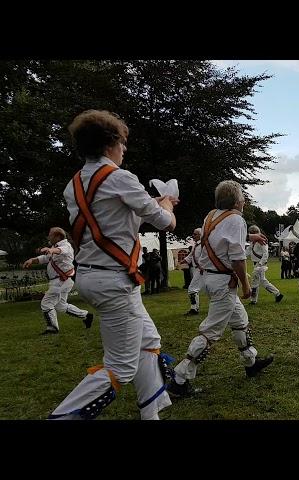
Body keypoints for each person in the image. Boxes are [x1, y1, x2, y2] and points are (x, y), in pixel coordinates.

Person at [50, 109, 177, 420]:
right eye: (122, 142)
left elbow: (112, 223)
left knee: (150, 342)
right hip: (115, 281)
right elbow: (164, 223)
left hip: (93, 276)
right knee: (120, 367)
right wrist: (167, 203)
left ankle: (152, 415)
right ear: (109, 144)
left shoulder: (74, 184)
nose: (125, 148)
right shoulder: (120, 178)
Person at [167, 180, 274, 398]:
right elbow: (237, 258)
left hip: (212, 279)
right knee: (210, 331)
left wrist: (249, 237)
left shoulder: (211, 216)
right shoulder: (236, 219)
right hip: (225, 283)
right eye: (242, 196)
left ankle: (250, 362)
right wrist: (246, 285)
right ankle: (179, 379)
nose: (244, 200)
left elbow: (221, 241)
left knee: (241, 322)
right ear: (236, 201)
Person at [22, 227, 94, 334]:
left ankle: (52, 328)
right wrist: (32, 260)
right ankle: (86, 316)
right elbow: (45, 258)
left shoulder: (66, 246)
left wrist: (51, 250)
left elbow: (60, 251)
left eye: (50, 235)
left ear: (57, 236)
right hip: (61, 281)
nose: (48, 237)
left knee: (46, 303)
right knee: (61, 306)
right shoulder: (55, 247)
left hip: (61, 281)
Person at [247, 225, 284, 304]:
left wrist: (260, 264)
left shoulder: (262, 241)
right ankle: (277, 294)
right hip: (256, 264)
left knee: (255, 282)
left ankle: (253, 300)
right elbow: (248, 250)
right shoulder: (253, 243)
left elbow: (265, 254)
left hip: (259, 265)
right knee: (262, 281)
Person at [180, 228, 204, 315]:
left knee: (192, 289)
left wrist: (203, 267)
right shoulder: (196, 245)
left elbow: (207, 257)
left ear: (200, 235)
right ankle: (195, 308)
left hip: (201, 270)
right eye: (193, 234)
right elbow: (191, 255)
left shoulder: (203, 245)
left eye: (195, 234)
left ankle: (194, 309)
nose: (193, 236)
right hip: (196, 269)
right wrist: (184, 260)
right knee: (202, 289)